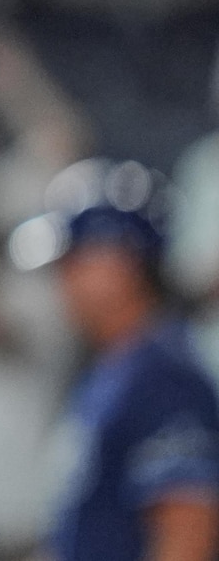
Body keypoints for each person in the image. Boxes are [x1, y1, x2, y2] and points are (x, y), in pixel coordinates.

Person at [39, 189, 219, 561]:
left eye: (77, 259)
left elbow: (187, 534)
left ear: (125, 261)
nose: (63, 278)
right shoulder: (113, 368)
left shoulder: (163, 377)